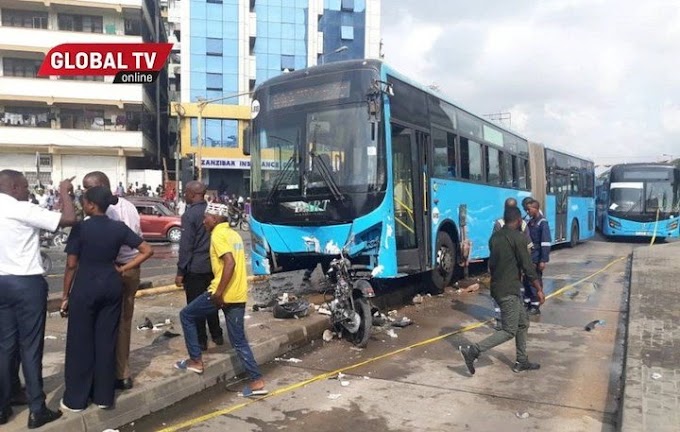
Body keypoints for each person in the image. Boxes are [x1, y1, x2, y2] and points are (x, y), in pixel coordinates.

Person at [60, 187, 153, 411]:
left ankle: (76, 399)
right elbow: (146, 250)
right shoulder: (118, 228)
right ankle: (103, 397)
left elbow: (72, 264)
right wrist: (123, 269)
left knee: (80, 342)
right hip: (111, 284)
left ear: (91, 205)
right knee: (106, 340)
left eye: (84, 202)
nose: (83, 205)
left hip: (86, 285)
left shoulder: (81, 228)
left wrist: (65, 296)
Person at [0, 170, 77, 428]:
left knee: (5, 347)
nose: (27, 192)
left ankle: (3, 405)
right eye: (24, 187)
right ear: (12, 187)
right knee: (30, 348)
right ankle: (37, 408)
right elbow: (69, 219)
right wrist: (65, 191)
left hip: (1, 282)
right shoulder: (21, 209)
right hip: (26, 283)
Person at [175, 203, 267, 397]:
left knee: (186, 315)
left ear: (215, 219)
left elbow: (230, 263)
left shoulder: (218, 234)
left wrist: (218, 293)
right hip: (239, 293)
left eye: (206, 217)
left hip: (222, 293)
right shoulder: (233, 235)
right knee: (239, 341)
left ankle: (196, 361)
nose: (203, 221)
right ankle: (257, 380)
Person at [459, 207, 544, 376]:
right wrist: (539, 289)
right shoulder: (519, 238)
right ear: (519, 220)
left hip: (498, 287)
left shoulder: (494, 238)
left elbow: (494, 264)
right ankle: (473, 351)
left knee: (523, 323)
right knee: (509, 330)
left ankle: (522, 360)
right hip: (509, 290)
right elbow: (528, 267)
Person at [82, 172, 142, 391]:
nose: (85, 192)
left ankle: (102, 374)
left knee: (101, 323)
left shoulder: (98, 212)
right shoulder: (130, 207)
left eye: (88, 187)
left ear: (102, 187)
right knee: (123, 324)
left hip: (109, 271)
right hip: (131, 268)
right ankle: (122, 374)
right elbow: (139, 239)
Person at [175, 181, 224, 351]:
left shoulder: (189, 215)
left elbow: (186, 246)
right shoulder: (212, 212)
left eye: (186, 193)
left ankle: (201, 340)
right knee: (211, 302)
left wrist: (181, 271)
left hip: (195, 268)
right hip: (213, 266)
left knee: (195, 305)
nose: (185, 196)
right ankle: (217, 335)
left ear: (192, 194)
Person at [490, 197, 532, 329]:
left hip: (500, 265)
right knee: (516, 291)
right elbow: (528, 247)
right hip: (515, 266)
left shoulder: (498, 223)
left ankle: (500, 320)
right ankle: (516, 318)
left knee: (499, 292)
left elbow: (493, 245)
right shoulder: (523, 224)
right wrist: (524, 264)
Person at [525, 200, 551, 315]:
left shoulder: (542, 223)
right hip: (530, 257)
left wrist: (543, 260)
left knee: (535, 280)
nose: (527, 211)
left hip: (537, 257)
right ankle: (528, 302)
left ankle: (535, 305)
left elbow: (545, 243)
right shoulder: (530, 222)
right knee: (527, 280)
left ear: (535, 208)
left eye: (529, 209)